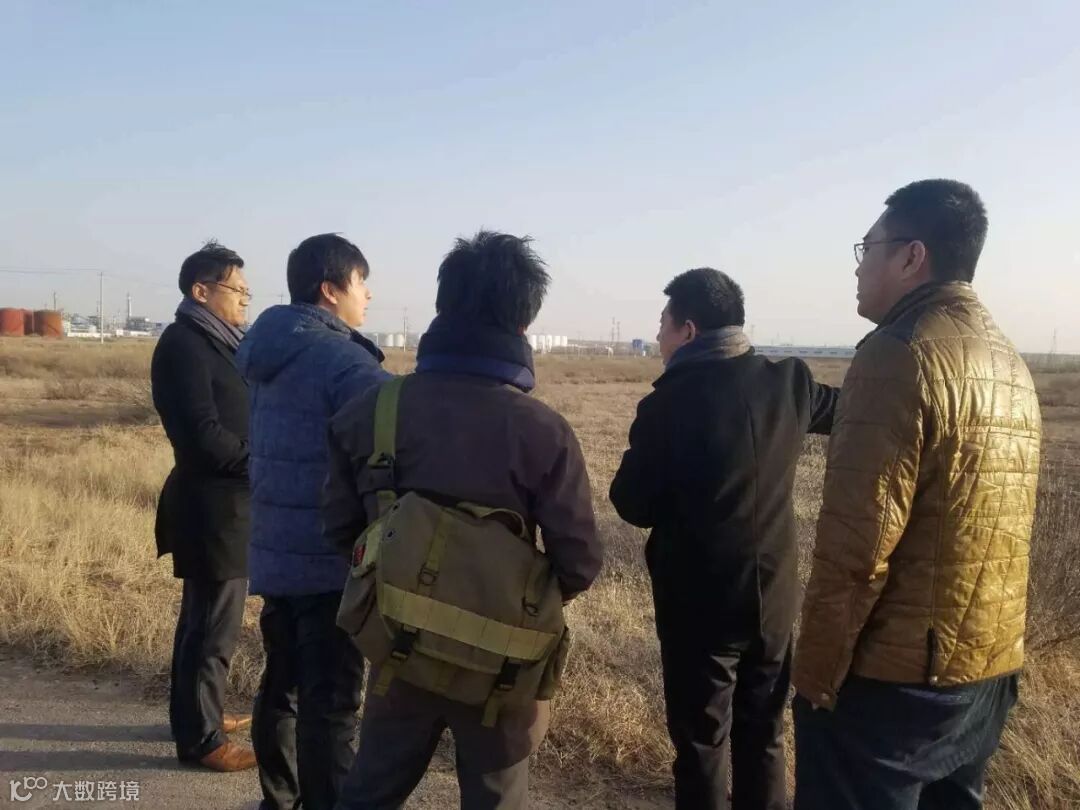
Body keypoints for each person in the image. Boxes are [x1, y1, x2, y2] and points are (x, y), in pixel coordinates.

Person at [324, 230, 603, 810]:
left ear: (441, 305)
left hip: (399, 647)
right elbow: (579, 563)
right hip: (501, 669)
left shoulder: (372, 409)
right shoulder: (544, 433)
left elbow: (340, 529)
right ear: (524, 322)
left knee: (369, 792)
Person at [792, 179, 1043, 810]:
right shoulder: (1009, 360)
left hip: (897, 685)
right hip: (986, 670)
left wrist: (815, 678)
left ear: (912, 256)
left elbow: (856, 549)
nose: (858, 268)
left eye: (867, 249)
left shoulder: (897, 353)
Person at [609, 268, 837, 810]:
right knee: (765, 733)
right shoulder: (791, 382)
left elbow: (631, 504)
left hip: (699, 605)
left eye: (662, 325)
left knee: (701, 741)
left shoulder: (668, 404)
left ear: (688, 330)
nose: (658, 337)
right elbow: (853, 411)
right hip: (773, 597)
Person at [236, 234, 390, 810]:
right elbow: (394, 436)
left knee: (283, 686)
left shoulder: (267, 349)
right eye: (360, 283)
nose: (367, 295)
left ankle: (280, 799)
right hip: (329, 559)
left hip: (276, 551)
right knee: (332, 703)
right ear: (330, 289)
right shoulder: (344, 361)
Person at [151, 240, 257, 772]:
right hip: (212, 510)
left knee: (205, 622)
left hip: (228, 506)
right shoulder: (184, 345)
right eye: (237, 290)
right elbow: (202, 437)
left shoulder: (217, 341)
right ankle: (201, 740)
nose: (244, 300)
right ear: (201, 290)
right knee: (211, 628)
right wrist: (264, 460)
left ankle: (198, 714)